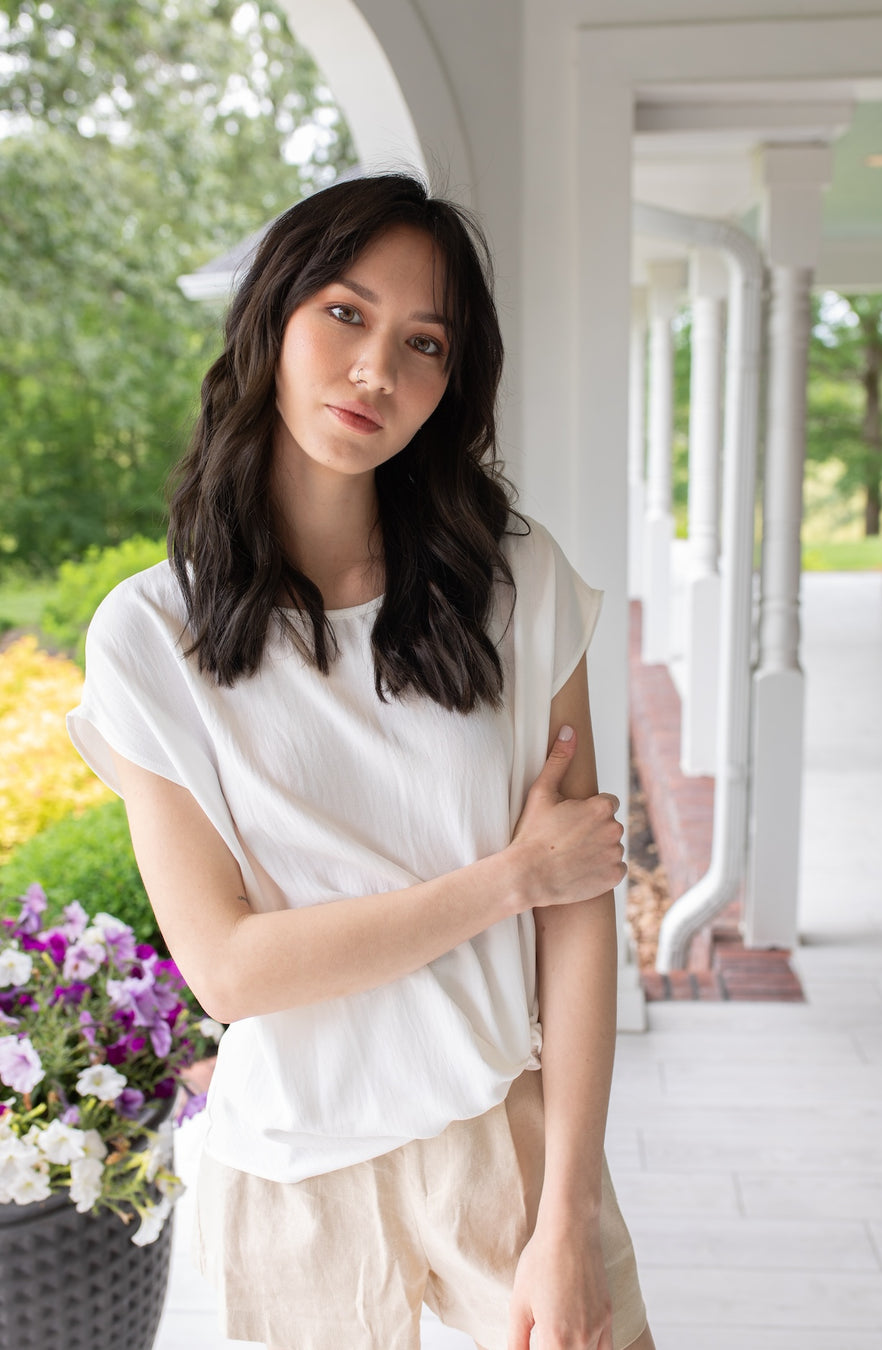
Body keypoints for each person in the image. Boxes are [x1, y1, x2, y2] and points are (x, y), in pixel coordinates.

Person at [68, 173, 655, 1350]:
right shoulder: (150, 640)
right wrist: (506, 881)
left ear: (453, 383)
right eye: (345, 313)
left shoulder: (516, 584)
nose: (376, 370)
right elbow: (229, 970)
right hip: (293, 1174)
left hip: (508, 1132)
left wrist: (567, 1210)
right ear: (273, 318)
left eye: (422, 342)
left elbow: (579, 902)